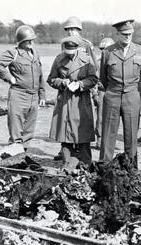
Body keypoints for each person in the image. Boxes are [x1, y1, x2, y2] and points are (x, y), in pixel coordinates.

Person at [99, 19, 141, 166]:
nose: (127, 37)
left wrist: (132, 91)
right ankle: (104, 167)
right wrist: (112, 90)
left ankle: (131, 168)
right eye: (124, 34)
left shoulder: (140, 51)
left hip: (132, 96)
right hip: (112, 94)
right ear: (117, 34)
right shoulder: (108, 52)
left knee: (131, 134)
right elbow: (103, 77)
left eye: (130, 34)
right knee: (108, 134)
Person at [0, 25, 46, 150]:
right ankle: (13, 155)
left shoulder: (35, 54)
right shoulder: (13, 53)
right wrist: (8, 77)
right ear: (21, 41)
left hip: (34, 96)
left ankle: (22, 154)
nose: (31, 42)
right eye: (28, 40)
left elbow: (40, 75)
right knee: (16, 129)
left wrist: (42, 94)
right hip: (18, 95)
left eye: (32, 39)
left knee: (29, 130)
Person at [47, 36, 98, 166]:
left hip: (81, 101)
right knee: (65, 136)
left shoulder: (86, 59)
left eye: (72, 52)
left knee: (83, 135)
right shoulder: (59, 59)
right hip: (64, 101)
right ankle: (67, 165)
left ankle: (85, 165)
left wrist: (80, 84)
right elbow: (51, 79)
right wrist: (61, 82)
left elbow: (93, 79)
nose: (69, 55)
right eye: (67, 52)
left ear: (77, 49)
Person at [93, 37, 115, 149]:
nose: (103, 51)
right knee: (100, 117)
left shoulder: (115, 60)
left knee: (113, 118)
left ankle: (110, 141)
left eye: (105, 48)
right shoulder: (96, 62)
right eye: (101, 49)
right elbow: (93, 80)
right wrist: (95, 94)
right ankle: (99, 139)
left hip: (113, 91)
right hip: (101, 91)